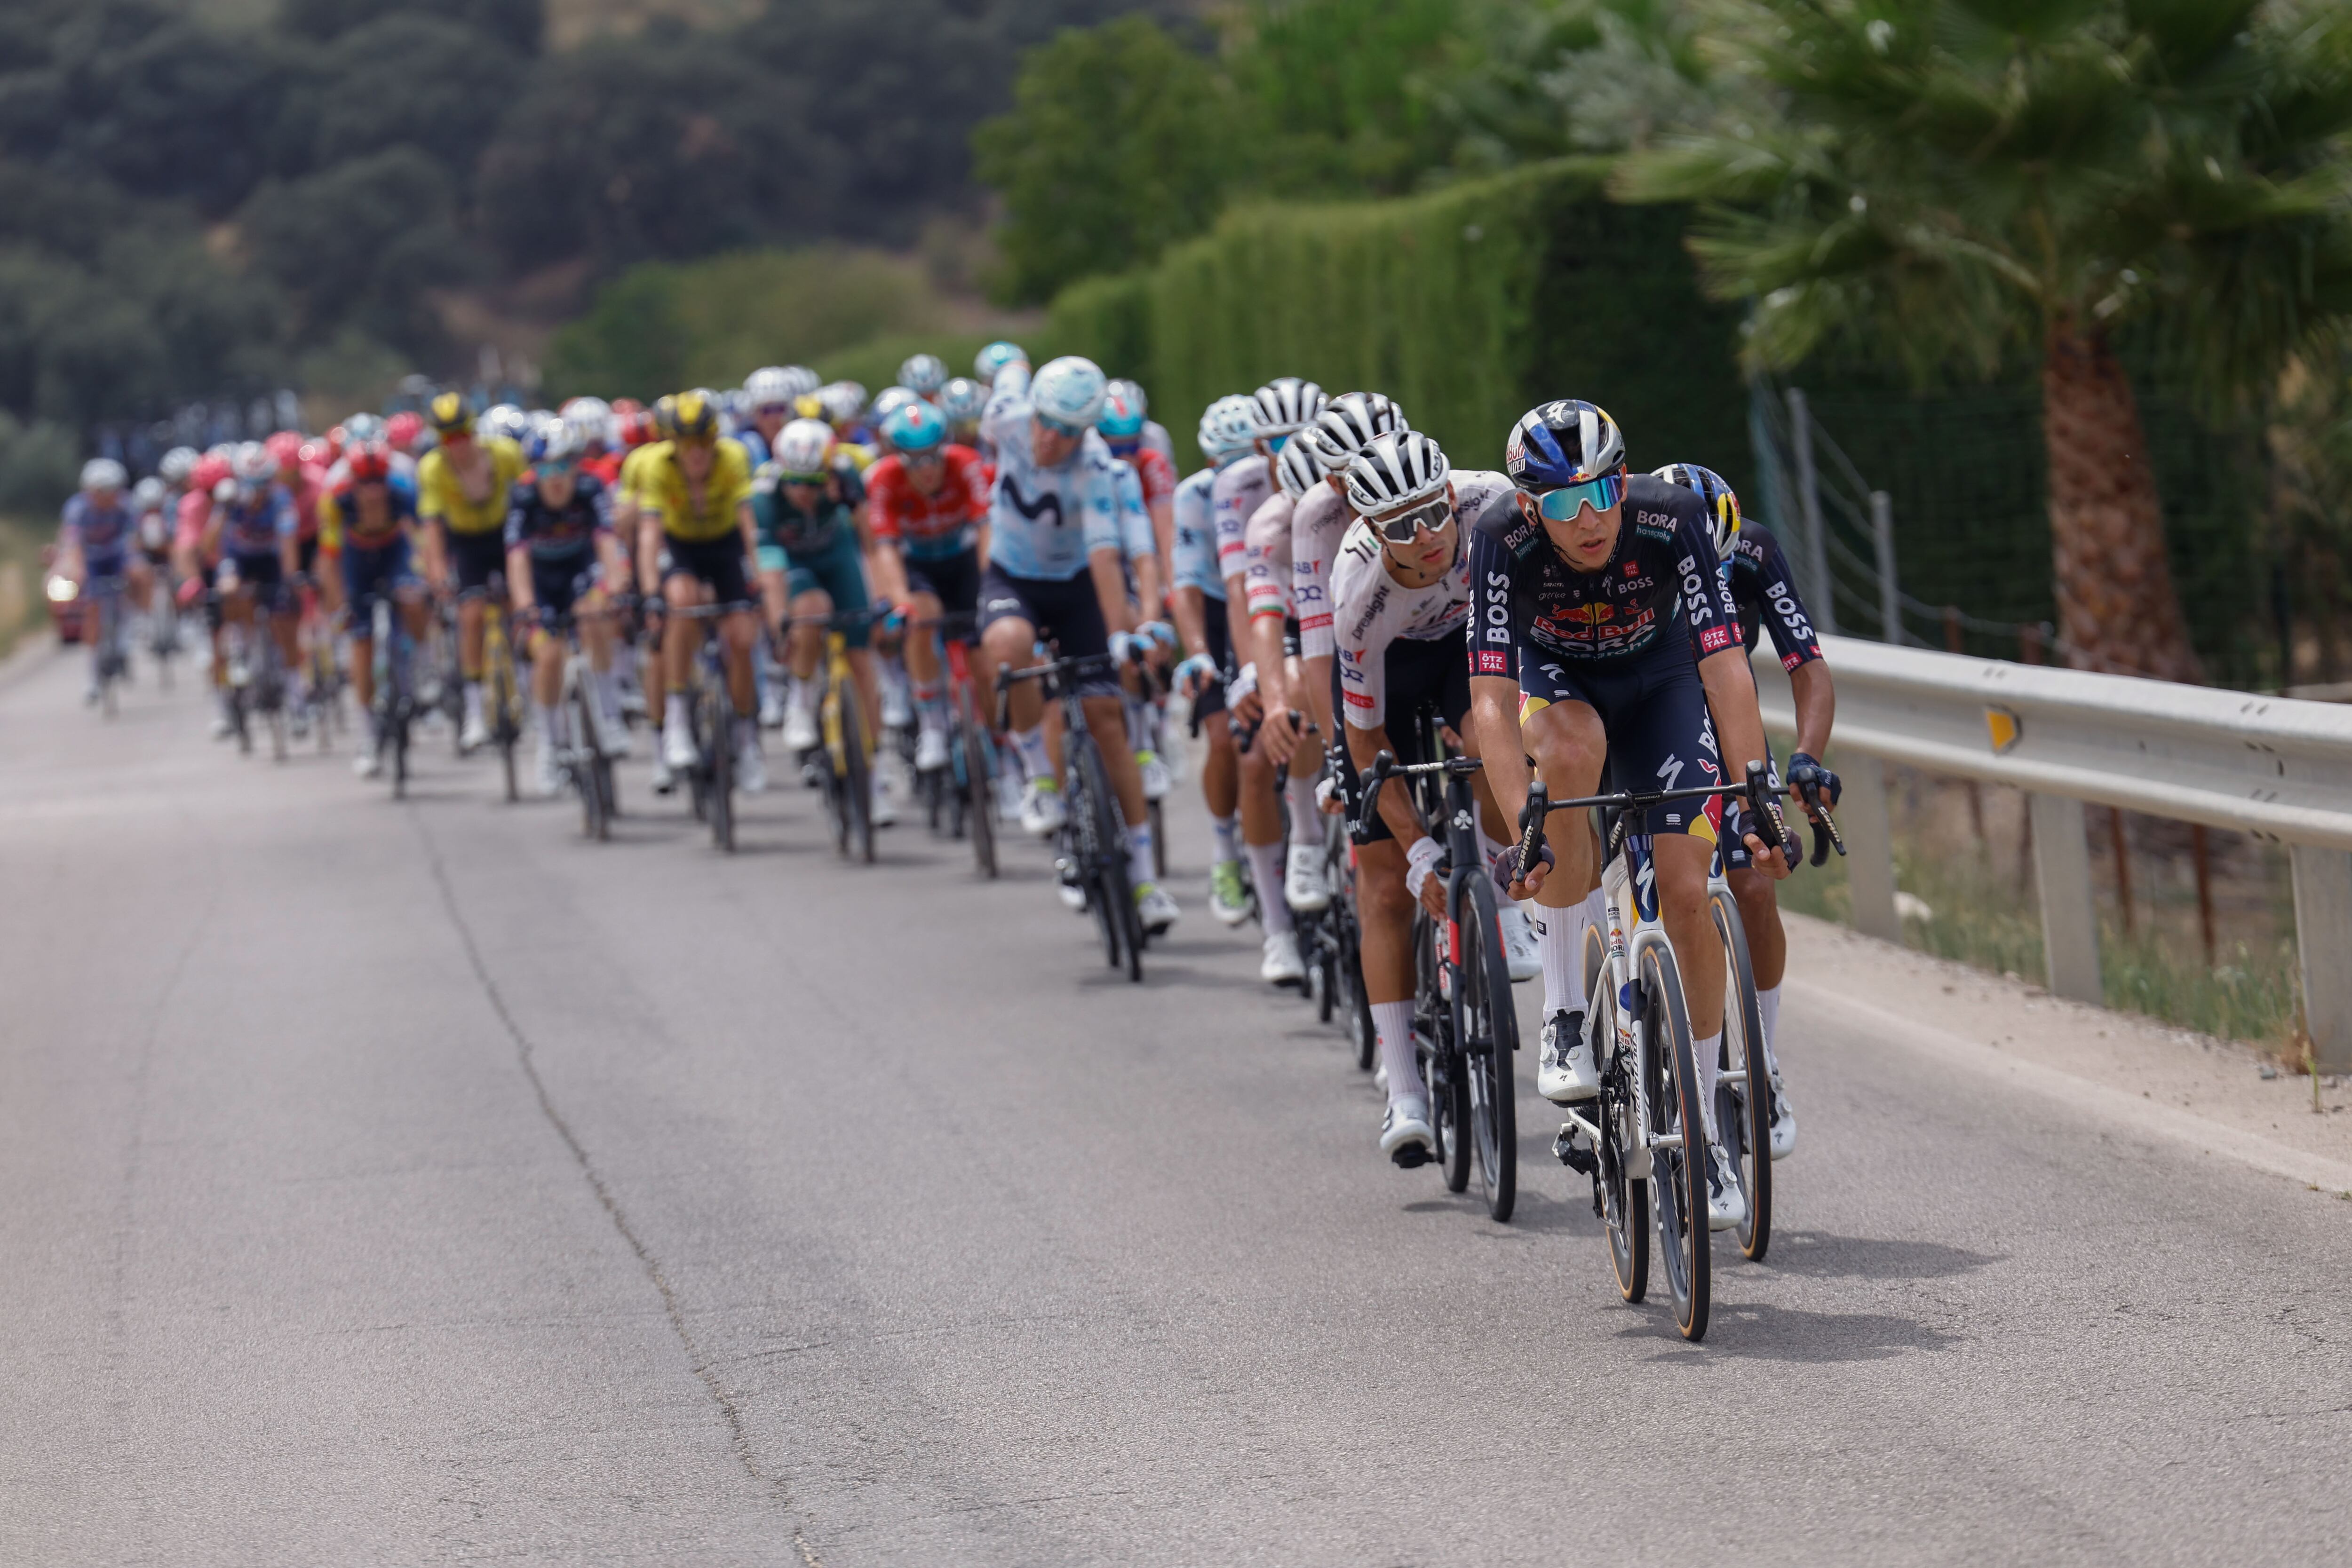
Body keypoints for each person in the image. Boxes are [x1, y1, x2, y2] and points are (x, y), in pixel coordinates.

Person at [1467, 400, 1791, 1231]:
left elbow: (1725, 666)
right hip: (1560, 683)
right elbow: (1494, 705)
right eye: (1565, 503)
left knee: (1688, 890)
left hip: (1662, 682)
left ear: (1624, 478)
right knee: (1568, 760)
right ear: (1532, 506)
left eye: (1602, 491)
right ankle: (1567, 1014)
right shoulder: (1500, 537)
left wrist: (1758, 783)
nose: (1591, 518)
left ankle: (1708, 1131)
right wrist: (1521, 830)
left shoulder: (1669, 514)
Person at [1326, 431, 1526, 1162]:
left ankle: (1509, 879)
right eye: (1400, 528)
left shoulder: (1495, 508)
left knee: (1490, 738)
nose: (1426, 538)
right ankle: (1405, 1090)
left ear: (1451, 497)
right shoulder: (1358, 596)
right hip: (1389, 670)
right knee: (1382, 891)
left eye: (1432, 514)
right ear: (1373, 531)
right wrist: (1414, 852)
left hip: (1468, 646)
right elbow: (1366, 740)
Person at [1654, 461, 1833, 1161]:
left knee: (1755, 883)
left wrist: (1807, 757)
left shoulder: (1754, 548)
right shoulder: (1630, 552)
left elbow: (1807, 666)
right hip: (1645, 709)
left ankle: (1762, 1062)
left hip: (1722, 715)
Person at [973, 353, 1179, 935]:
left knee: (1106, 715)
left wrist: (1119, 633)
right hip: (1013, 576)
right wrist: (1010, 361)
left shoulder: (1093, 466)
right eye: (1047, 423)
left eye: (1068, 431)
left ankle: (1143, 879)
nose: (1051, 439)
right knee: (1009, 647)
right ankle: (1039, 777)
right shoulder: (1007, 414)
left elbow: (1105, 554)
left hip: (1077, 586)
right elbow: (1008, 370)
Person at [755, 416, 891, 824]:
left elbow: (871, 544)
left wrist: (882, 597)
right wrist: (780, 620)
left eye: (815, 483)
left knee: (861, 659)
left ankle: (876, 774)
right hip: (794, 566)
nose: (805, 493)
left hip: (837, 559)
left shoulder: (848, 478)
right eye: (796, 483)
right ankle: (800, 695)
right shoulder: (765, 496)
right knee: (811, 610)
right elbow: (769, 570)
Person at [639, 389, 765, 794]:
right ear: (674, 444)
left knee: (743, 638)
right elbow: (649, 535)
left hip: (724, 545)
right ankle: (676, 718)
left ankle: (746, 740)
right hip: (682, 549)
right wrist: (649, 592)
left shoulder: (732, 458)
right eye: (687, 444)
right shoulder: (658, 467)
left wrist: (759, 576)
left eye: (704, 443)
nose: (696, 453)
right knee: (681, 603)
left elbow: (748, 522)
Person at [865, 399, 991, 773]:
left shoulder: (967, 464)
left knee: (985, 660)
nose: (927, 470)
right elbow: (885, 548)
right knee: (920, 617)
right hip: (917, 565)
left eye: (933, 456)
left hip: (963, 559)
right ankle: (933, 722)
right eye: (915, 460)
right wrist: (900, 601)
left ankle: (1002, 747)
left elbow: (987, 531)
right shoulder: (882, 479)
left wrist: (993, 585)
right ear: (899, 457)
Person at [508, 421, 634, 795]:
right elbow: (516, 559)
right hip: (542, 582)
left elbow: (607, 543)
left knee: (593, 616)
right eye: (545, 469)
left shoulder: (590, 489)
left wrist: (615, 587)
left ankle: (610, 716)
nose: (556, 477)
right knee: (547, 656)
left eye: (563, 466)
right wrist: (525, 605)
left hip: (581, 572)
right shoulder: (523, 497)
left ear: (577, 466)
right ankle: (549, 743)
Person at [1171, 396, 1258, 925]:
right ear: (1209, 464)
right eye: (1224, 464)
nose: (1235, 476)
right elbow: (1183, 588)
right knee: (1224, 737)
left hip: (1267, 596)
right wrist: (1199, 653)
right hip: (1215, 604)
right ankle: (1225, 850)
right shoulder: (1193, 497)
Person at [415, 391, 526, 752]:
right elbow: (432, 527)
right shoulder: (433, 468)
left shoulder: (505, 455)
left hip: (505, 535)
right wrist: (436, 574)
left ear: (474, 431)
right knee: (471, 615)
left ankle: (526, 686)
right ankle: (476, 713)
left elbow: (531, 500)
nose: (457, 444)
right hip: (465, 543)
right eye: (448, 438)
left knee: (520, 608)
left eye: (462, 434)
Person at [326, 440, 429, 776]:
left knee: (414, 601)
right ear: (353, 482)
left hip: (394, 554)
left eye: (377, 482)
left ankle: (422, 669)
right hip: (357, 563)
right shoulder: (337, 501)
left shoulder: (403, 493)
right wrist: (339, 605)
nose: (372, 491)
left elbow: (422, 539)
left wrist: (423, 577)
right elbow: (328, 560)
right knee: (362, 643)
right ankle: (368, 735)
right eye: (364, 483)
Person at [202, 442, 302, 703]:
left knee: (285, 621)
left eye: (264, 483)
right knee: (229, 589)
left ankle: (295, 690)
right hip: (239, 559)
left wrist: (289, 581)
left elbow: (288, 543)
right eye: (252, 483)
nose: (258, 491)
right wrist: (222, 510)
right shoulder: (230, 499)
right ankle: (240, 647)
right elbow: (208, 545)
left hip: (270, 559)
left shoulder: (281, 500)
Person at [56, 458, 153, 701]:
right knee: (91, 610)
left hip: (118, 555)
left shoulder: (126, 506)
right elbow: (72, 544)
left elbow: (134, 539)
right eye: (101, 491)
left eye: (112, 490)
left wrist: (133, 561)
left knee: (140, 572)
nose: (107, 497)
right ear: (89, 491)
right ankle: (92, 677)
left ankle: (138, 623)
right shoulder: (77, 509)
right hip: (91, 560)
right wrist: (77, 570)